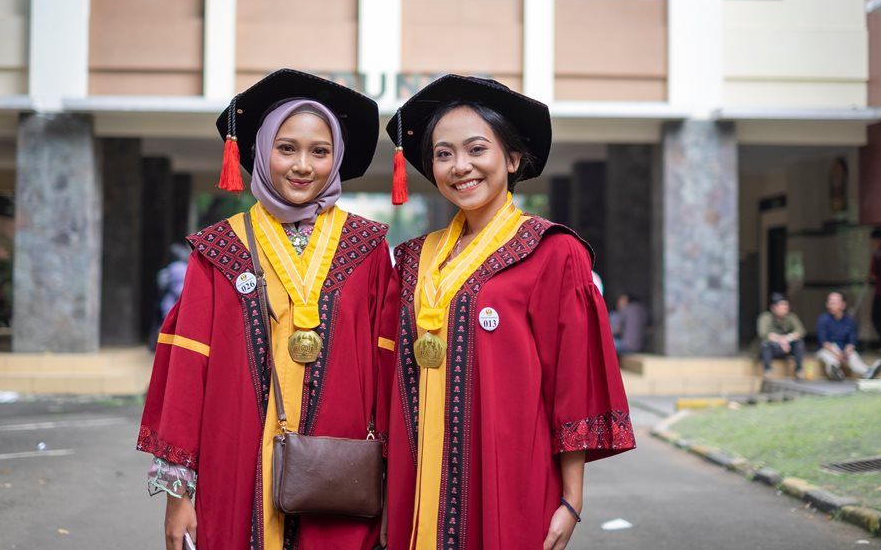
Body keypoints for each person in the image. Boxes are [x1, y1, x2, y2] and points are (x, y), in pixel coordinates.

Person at [137, 69, 395, 550]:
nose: (303, 165)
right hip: (232, 466)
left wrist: (391, 477)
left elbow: (388, 370)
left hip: (340, 472)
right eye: (286, 148)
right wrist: (178, 494)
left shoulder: (368, 247)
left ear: (336, 157)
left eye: (319, 151)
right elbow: (188, 372)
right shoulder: (218, 250)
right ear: (259, 153)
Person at [381, 75, 636, 550]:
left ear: (513, 158)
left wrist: (572, 499)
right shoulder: (414, 259)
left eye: (477, 149)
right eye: (443, 154)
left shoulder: (552, 251)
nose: (461, 167)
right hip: (415, 478)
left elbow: (572, 382)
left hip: (513, 476)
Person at [816, 291, 881, 381]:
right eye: (830, 302)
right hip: (828, 350)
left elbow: (851, 341)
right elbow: (824, 343)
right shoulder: (823, 319)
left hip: (844, 351)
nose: (831, 305)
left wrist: (847, 351)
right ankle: (835, 373)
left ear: (843, 305)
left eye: (834, 302)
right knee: (830, 359)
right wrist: (837, 354)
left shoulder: (850, 321)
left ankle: (868, 372)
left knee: (853, 356)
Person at [756, 292, 805, 380]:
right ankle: (768, 371)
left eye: (786, 305)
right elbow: (763, 333)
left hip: (787, 347)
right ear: (773, 308)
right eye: (782, 305)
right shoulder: (766, 317)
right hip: (773, 348)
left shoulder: (791, 317)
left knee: (799, 343)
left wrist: (787, 339)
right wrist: (780, 340)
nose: (785, 308)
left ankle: (799, 370)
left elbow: (801, 331)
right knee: (765, 344)